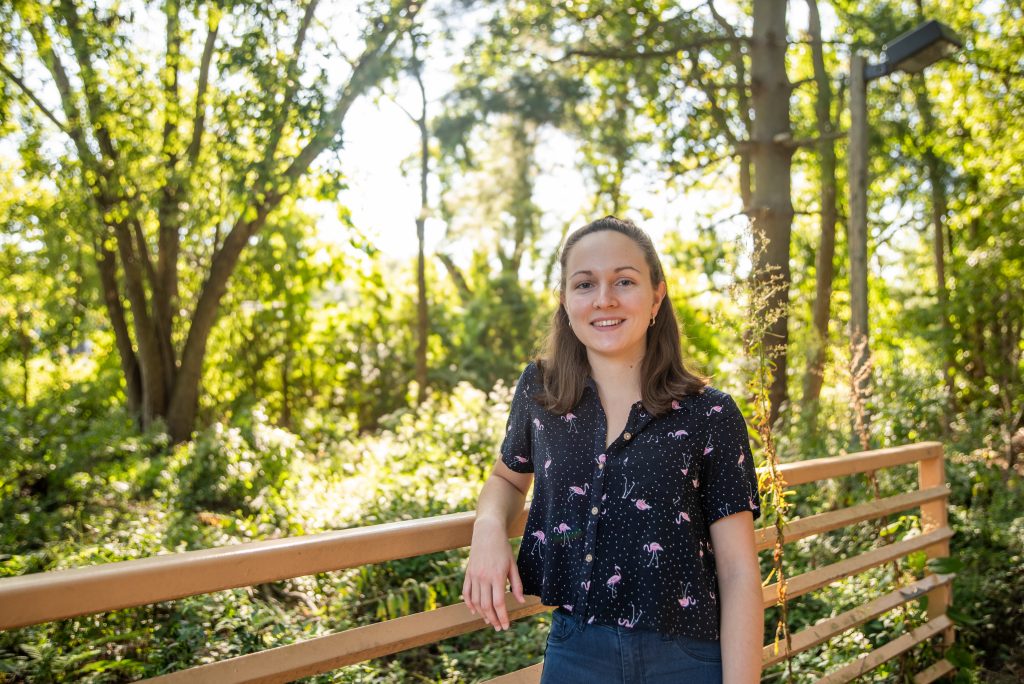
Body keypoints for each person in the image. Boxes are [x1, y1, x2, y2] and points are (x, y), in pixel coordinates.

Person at [463, 216, 763, 683]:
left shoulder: (710, 414)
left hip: (687, 657)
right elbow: (507, 478)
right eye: (585, 284)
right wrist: (487, 528)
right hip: (575, 651)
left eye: (624, 280)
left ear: (656, 296)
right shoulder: (540, 391)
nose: (604, 298)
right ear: (565, 302)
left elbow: (740, 572)